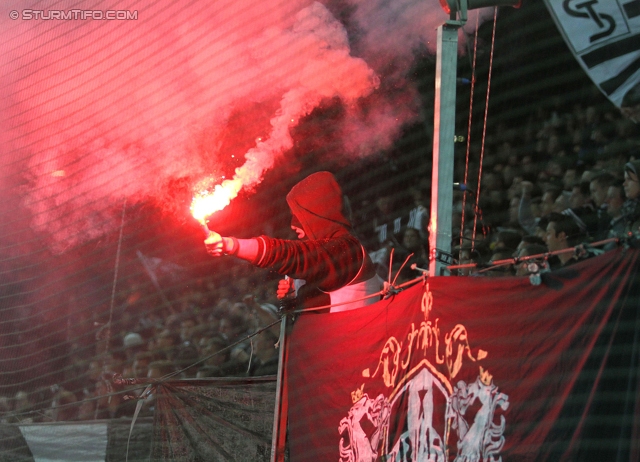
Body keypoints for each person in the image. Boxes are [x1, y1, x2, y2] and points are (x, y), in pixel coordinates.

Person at [204, 171, 382, 312]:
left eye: (300, 216)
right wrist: (294, 299)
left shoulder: (347, 250)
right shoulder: (329, 255)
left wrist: (231, 245)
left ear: (319, 213)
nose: (293, 225)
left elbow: (289, 254)